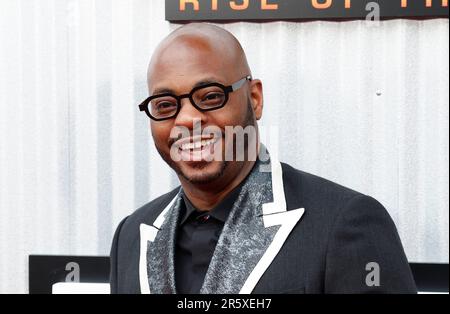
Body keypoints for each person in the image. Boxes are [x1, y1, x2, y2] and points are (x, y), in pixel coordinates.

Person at [109, 23, 417, 294]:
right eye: (165, 105)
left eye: (211, 96)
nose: (187, 119)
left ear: (254, 99)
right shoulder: (131, 236)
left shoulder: (344, 223)